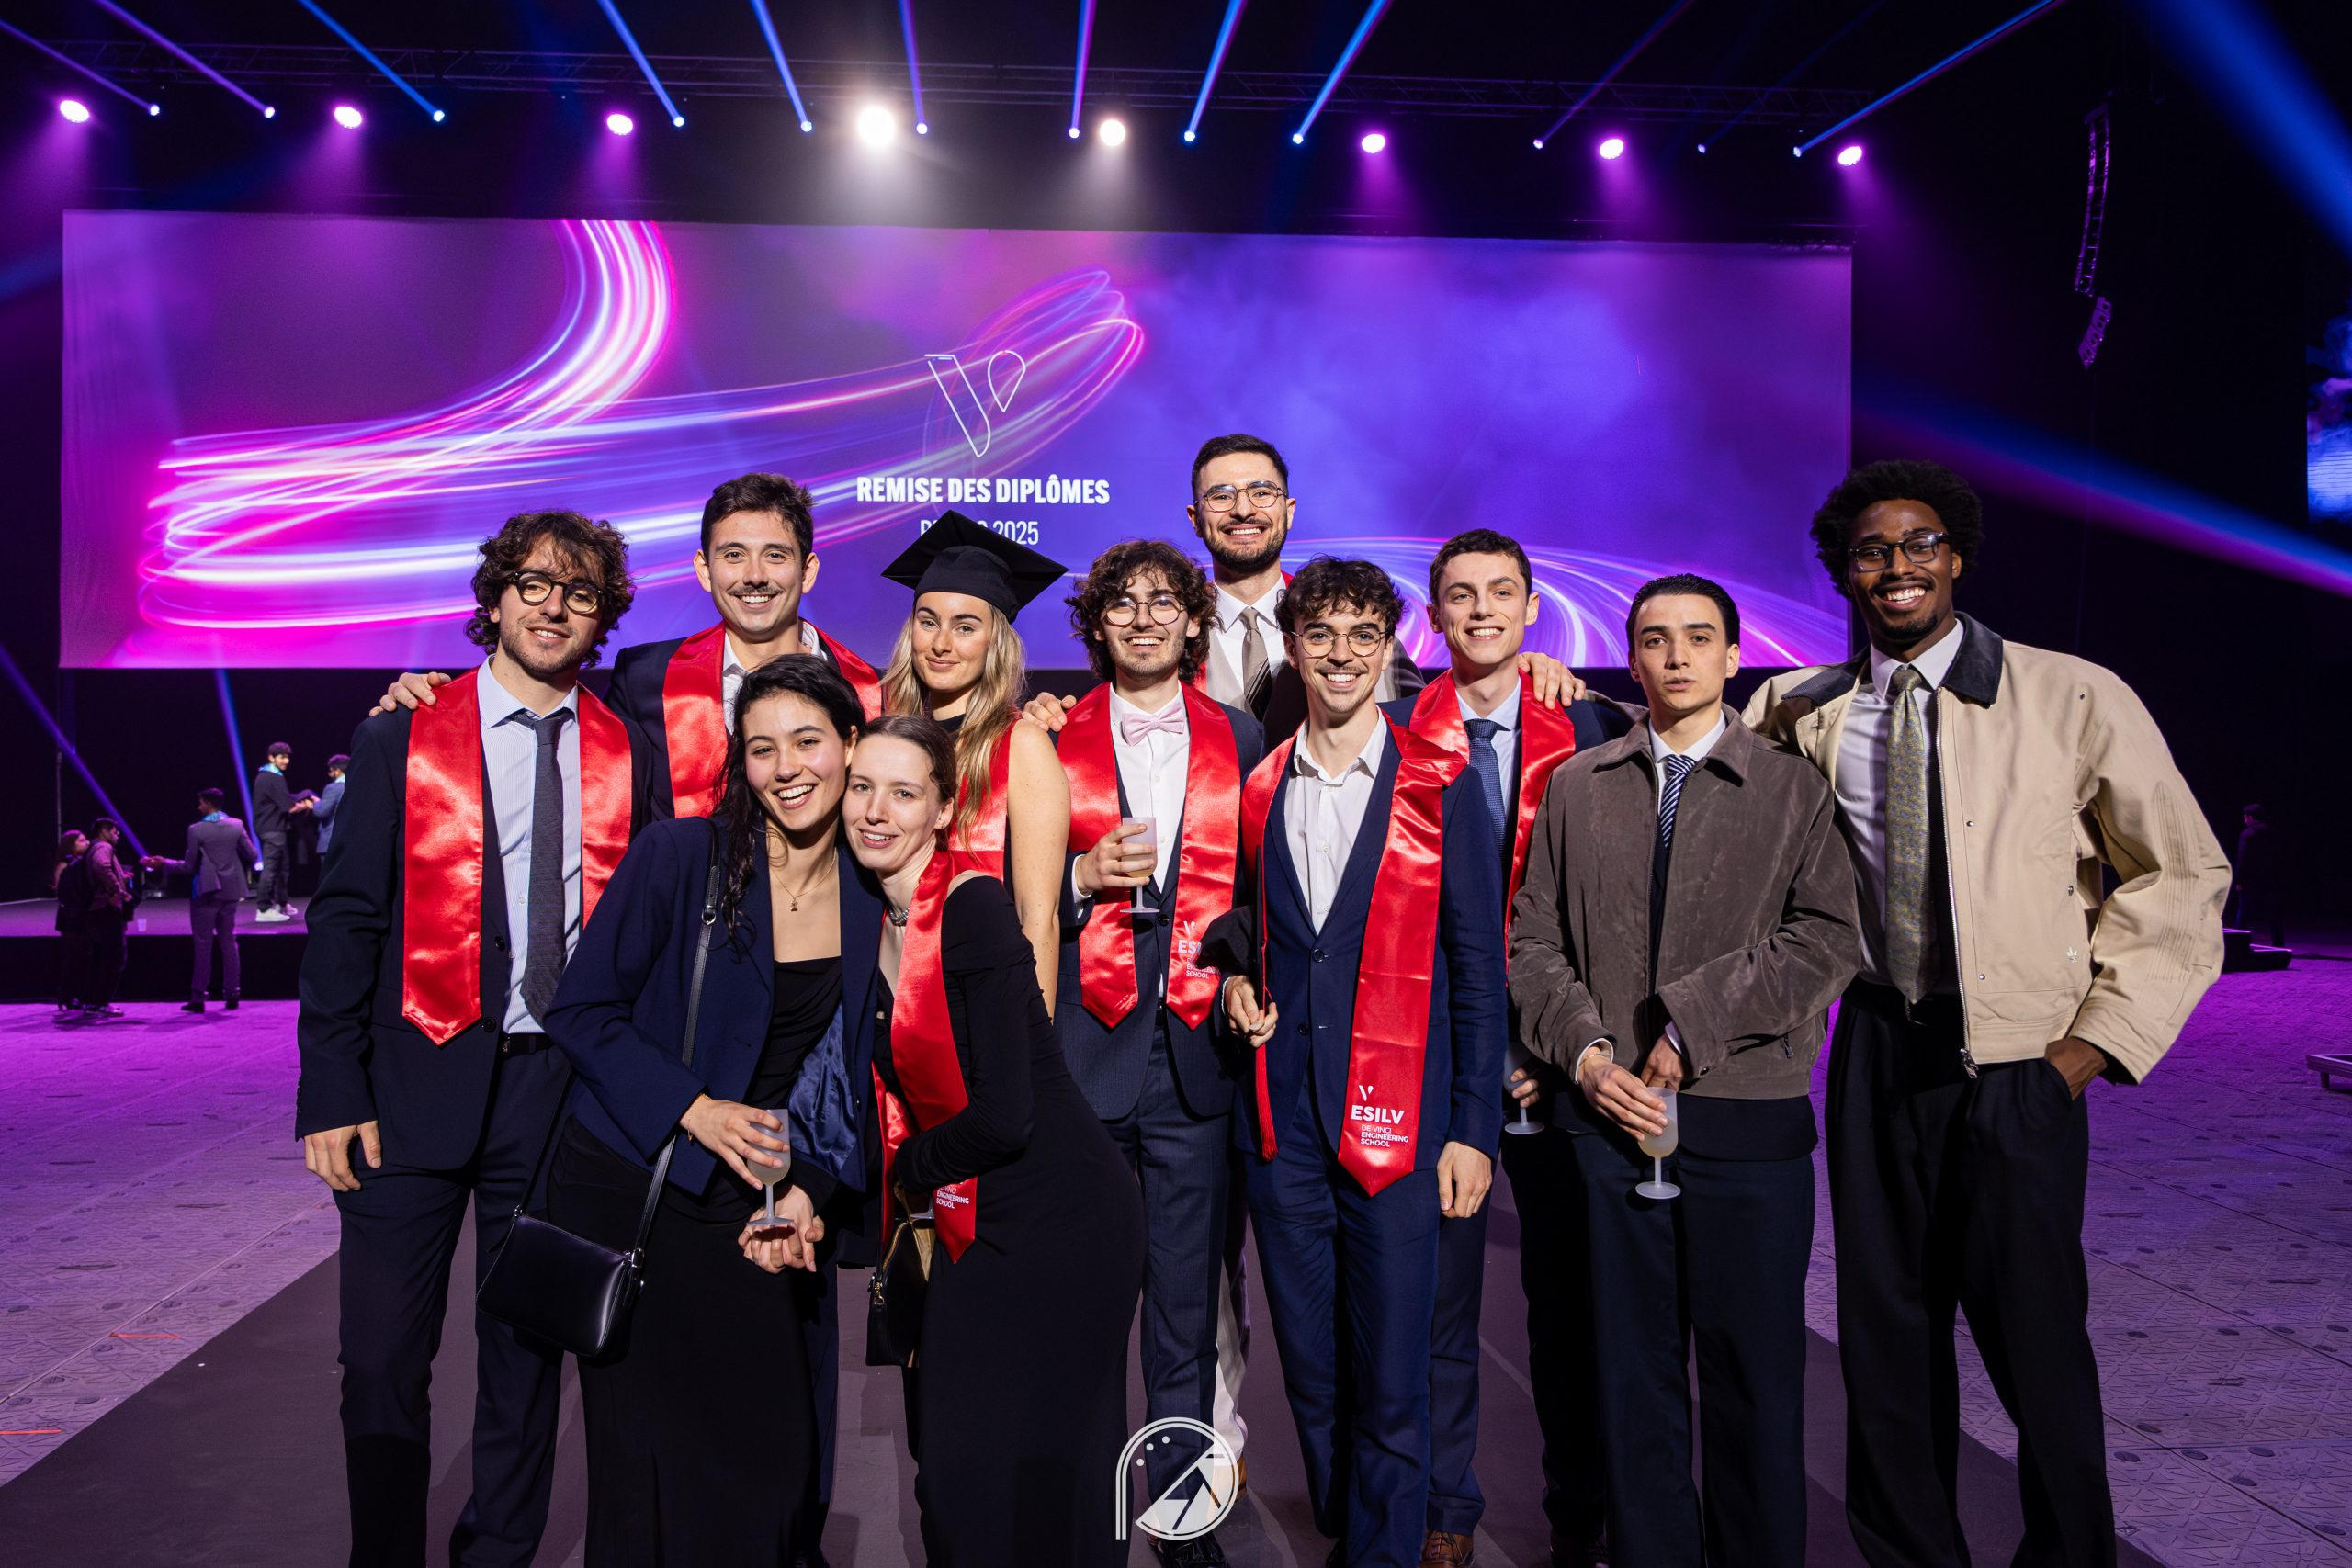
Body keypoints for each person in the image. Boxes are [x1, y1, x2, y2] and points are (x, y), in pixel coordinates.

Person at [1746, 459, 2232, 1568]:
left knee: (2034, 1337)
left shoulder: (2071, 695)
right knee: (1885, 1334)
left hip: (2019, 1059)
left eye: (1919, 544)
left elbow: (2179, 873)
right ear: (1845, 574)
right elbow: (1693, 772)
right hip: (1877, 1046)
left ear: (1955, 557)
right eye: (1872, 551)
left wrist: (2088, 1049)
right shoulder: (1800, 708)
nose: (1898, 566)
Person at [296, 509, 648, 1568]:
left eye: (580, 593)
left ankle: (496, 1553)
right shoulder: (402, 735)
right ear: (493, 598)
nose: (554, 607)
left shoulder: (627, 749)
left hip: (555, 1093)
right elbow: (346, 922)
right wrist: (330, 1092)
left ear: (601, 618)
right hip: (408, 1084)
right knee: (380, 1359)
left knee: (524, 1353)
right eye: (534, 583)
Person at [1512, 574, 1860, 1568]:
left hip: (1746, 1122)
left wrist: (1690, 1027)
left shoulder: (1791, 788)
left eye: (1698, 637)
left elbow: (1827, 937)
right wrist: (1586, 1054)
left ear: (1732, 655)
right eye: (1656, 638)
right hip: (1609, 1121)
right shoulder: (1579, 784)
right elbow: (1533, 940)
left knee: (1754, 1376)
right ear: (1631, 658)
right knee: (1632, 1378)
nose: (1676, 656)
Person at [542, 655, 879, 1565]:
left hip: (759, 1202)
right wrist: (694, 1109)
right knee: (647, 1469)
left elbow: (849, 1065)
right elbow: (581, 1010)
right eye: (761, 748)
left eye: (807, 740)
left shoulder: (871, 884)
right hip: (640, 1185)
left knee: (774, 1457)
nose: (786, 767)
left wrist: (811, 1187)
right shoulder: (683, 855)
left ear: (851, 743)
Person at [1215, 557, 1506, 1568]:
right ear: (1294, 648)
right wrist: (1235, 981)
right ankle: (1351, 1521)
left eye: (1363, 635)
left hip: (1405, 1121)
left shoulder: (1443, 784)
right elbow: (1246, 928)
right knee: (1310, 1362)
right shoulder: (1260, 786)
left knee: (1391, 1369)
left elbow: (1479, 969)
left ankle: (1381, 1550)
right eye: (1322, 635)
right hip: (1285, 1124)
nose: (1342, 654)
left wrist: (1472, 1130)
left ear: (1390, 649)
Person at [846, 714, 1144, 1565]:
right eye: (862, 787)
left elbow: (1006, 1115)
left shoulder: (971, 906)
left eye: (904, 793)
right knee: (954, 1467)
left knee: (1053, 1466)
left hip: (1062, 1216)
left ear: (944, 809)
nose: (876, 810)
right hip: (973, 1215)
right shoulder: (865, 916)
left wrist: (904, 1168)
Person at [1385, 528, 1628, 1568]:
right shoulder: (1396, 732)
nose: (1481, 610)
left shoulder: (1592, 724)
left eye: (1500, 593)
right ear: (1434, 614)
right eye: (1460, 594)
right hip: (1443, 1056)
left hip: (1564, 1057)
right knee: (1438, 1303)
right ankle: (1446, 1505)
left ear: (1533, 609)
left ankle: (1581, 1515)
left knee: (1572, 1306)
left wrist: (1554, 1037)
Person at [1053, 540, 1266, 1568]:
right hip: (1080, 1052)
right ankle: (1084, 1522)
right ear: (1096, 624)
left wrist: (1240, 969)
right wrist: (1076, 878)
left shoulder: (1243, 734)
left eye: (1162, 603)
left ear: (1192, 622)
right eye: (1121, 604)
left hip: (1193, 1059)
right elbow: (1008, 888)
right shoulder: (1049, 737)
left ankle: (1182, 1523)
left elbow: (1263, 893)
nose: (1142, 619)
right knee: (1083, 1309)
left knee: (1184, 1316)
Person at [370, 470, 882, 821]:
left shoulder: (871, 691)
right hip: (688, 938)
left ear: (806, 571)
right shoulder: (646, 678)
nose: (753, 576)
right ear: (704, 570)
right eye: (732, 555)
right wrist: (439, 702)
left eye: (775, 555)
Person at [878, 511, 1071, 1003]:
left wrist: (1033, 1036)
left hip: (979, 995)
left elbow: (1037, 916)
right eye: (928, 622)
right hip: (885, 989)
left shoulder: (1021, 743)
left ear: (995, 642)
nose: (941, 644)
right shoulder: (885, 737)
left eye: (965, 627)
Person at [143, 787, 258, 1013]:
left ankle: (198, 997)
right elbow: (253, 855)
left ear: (208, 804)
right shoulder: (236, 825)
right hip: (231, 891)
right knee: (229, 942)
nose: (199, 807)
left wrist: (163, 863)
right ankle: (233, 993)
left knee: (203, 944)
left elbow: (187, 867)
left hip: (207, 892)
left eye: (201, 803)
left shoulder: (196, 830)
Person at [68, 818, 134, 1021]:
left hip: (94, 910)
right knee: (114, 957)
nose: (118, 835)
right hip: (105, 909)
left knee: (99, 957)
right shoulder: (103, 847)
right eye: (115, 831)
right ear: (105, 831)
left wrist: (120, 877)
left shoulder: (93, 848)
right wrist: (119, 890)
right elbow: (101, 867)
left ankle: (92, 1002)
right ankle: (101, 1003)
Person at [254, 741, 313, 921]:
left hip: (274, 829)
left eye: (287, 757)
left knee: (282, 868)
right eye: (282, 757)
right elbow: (288, 806)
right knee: (272, 868)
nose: (286, 761)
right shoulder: (272, 777)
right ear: (271, 758)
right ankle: (263, 909)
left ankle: (281, 903)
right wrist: (307, 805)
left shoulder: (268, 776)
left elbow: (285, 799)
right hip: (272, 829)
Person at [2232, 802, 2285, 946]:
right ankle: (2278, 944)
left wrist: (2239, 880)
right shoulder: (2273, 832)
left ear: (2250, 817)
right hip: (2271, 879)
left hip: (2251, 880)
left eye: (2245, 817)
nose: (2244, 820)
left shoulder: (2248, 834)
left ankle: (2236, 944)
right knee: (2274, 914)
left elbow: (2243, 857)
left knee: (2243, 913)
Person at [52, 829, 88, 1017]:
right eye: (81, 841)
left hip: (82, 913)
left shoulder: (82, 863)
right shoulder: (65, 865)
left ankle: (80, 995)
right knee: (72, 957)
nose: (87, 843)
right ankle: (66, 996)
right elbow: (62, 892)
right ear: (71, 846)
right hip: (70, 915)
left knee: (83, 957)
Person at [314, 754, 349, 857]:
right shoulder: (356, 787)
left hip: (331, 840)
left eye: (331, 771)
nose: (329, 774)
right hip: (350, 840)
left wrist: (316, 803)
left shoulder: (333, 788)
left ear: (337, 771)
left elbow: (322, 811)